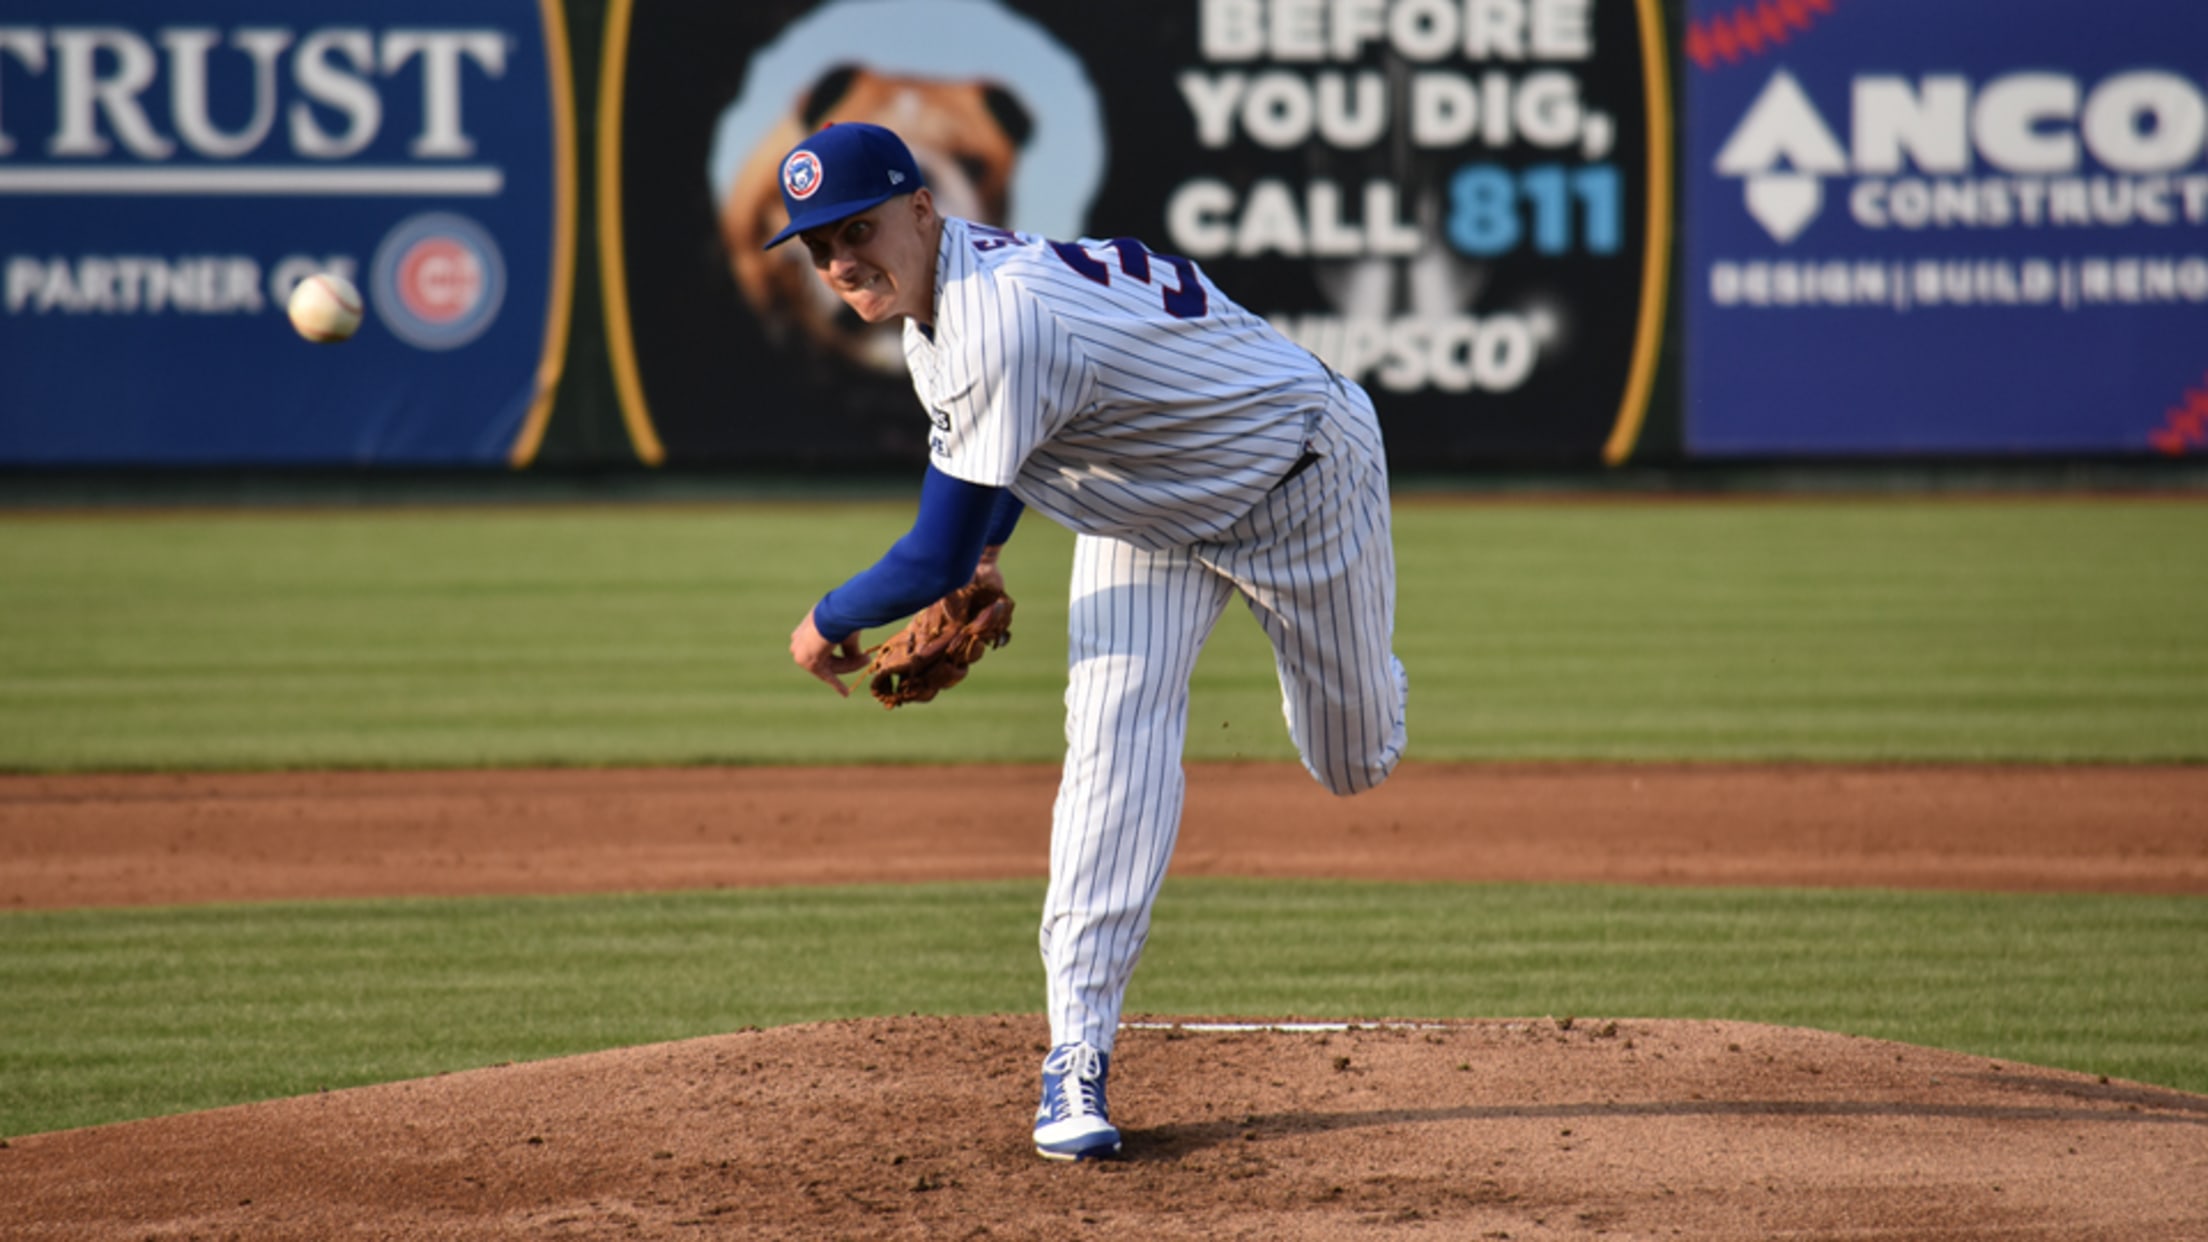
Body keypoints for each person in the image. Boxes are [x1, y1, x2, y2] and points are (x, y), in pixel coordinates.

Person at [774, 122, 1408, 1161]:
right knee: (1110, 749)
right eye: (818, 246)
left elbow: (930, 555)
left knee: (1354, 760)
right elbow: (1021, 454)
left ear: (922, 211)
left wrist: (828, 621)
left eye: (858, 229)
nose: (841, 260)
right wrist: (989, 555)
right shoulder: (942, 307)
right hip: (1141, 517)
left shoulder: (997, 315)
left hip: (1300, 480)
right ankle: (1077, 1055)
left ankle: (1368, 673)